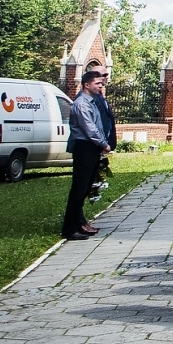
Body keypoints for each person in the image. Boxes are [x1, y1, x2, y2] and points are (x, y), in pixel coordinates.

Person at [63, 69, 112, 240]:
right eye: (98, 84)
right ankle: (69, 228)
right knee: (79, 188)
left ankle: (79, 222)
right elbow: (90, 129)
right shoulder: (81, 104)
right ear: (86, 85)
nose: (101, 86)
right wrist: (104, 144)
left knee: (86, 187)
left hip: (91, 148)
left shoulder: (91, 102)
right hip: (84, 147)